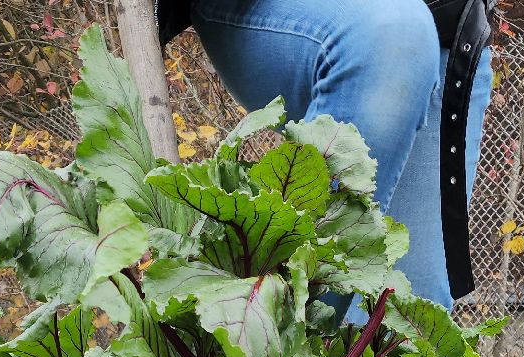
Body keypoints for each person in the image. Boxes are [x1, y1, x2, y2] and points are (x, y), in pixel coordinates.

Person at [156, 0, 496, 310]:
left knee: (413, 326)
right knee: (391, 36)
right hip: (279, 10)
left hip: (448, 27)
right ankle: (275, 323)